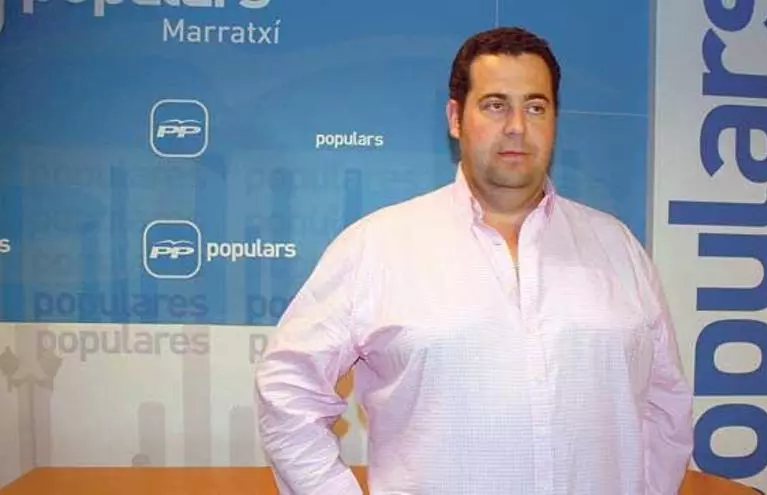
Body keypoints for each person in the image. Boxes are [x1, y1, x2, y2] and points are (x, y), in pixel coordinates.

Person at [255, 26, 694, 495]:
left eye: (535, 107)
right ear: (455, 118)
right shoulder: (378, 246)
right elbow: (287, 388)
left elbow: (665, 405)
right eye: (495, 104)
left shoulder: (617, 248)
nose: (517, 126)